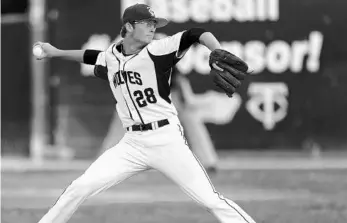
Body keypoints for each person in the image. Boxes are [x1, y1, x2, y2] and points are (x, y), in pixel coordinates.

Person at [34, 3, 256, 223]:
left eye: (154, 24)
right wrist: (56, 52)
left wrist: (215, 49)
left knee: (210, 200)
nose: (152, 28)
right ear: (129, 27)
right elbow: (92, 56)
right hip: (132, 144)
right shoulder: (112, 55)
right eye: (148, 24)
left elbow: (195, 34)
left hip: (166, 140)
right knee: (79, 187)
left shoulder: (158, 50)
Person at [171, 70, 219, 173]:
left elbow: (188, 100)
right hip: (162, 104)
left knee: (194, 126)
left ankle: (208, 161)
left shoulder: (178, 78)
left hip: (178, 103)